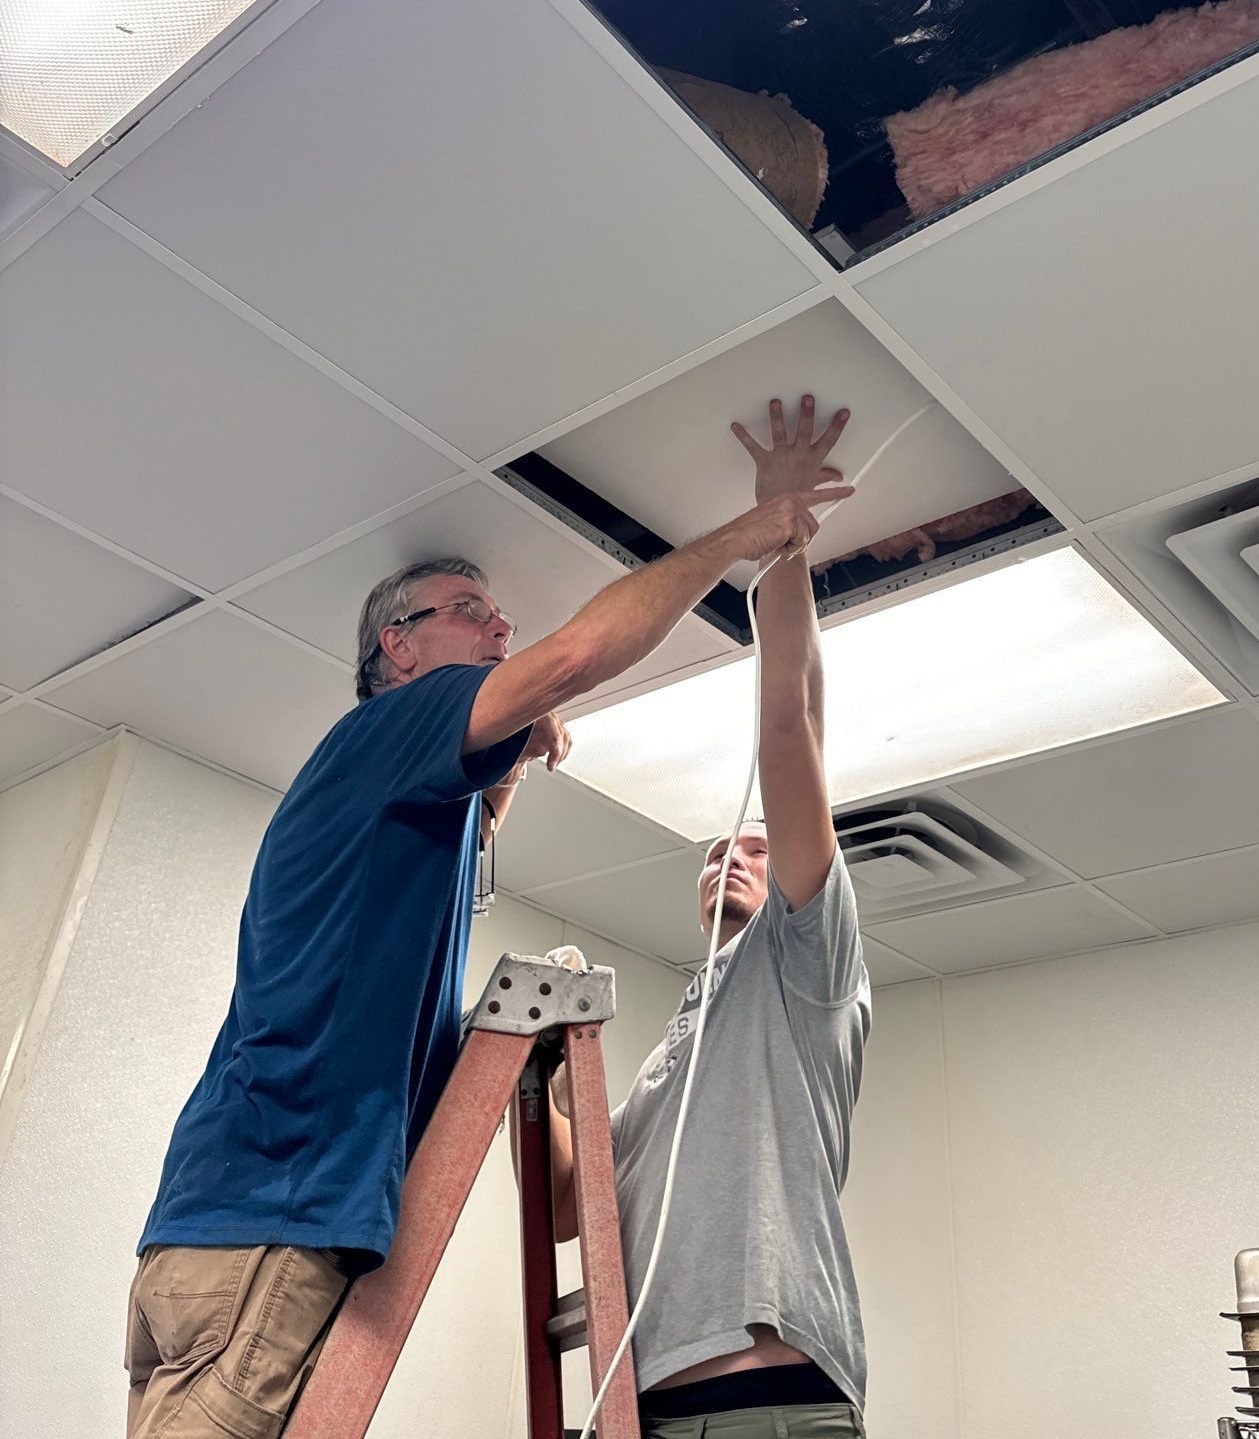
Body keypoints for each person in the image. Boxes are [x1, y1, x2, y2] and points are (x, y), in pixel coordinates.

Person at [124, 475, 849, 1439]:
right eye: (469, 614)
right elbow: (576, 657)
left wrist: (503, 761)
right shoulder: (388, 726)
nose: (499, 632)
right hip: (272, 1224)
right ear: (398, 646)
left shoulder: (394, 802)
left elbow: (450, 854)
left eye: (502, 620)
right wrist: (752, 534)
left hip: (228, 1229)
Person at [548, 396, 872, 1439]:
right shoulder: (669, 1060)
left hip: (767, 1401)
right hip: (643, 1409)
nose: (732, 849)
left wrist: (778, 544)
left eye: (754, 844)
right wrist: (546, 1067)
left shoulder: (809, 969)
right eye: (715, 851)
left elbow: (793, 728)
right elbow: (570, 1208)